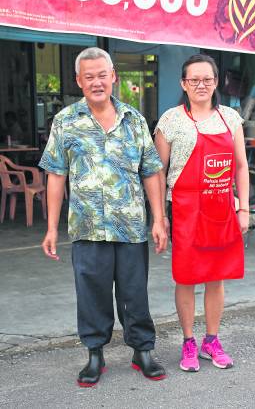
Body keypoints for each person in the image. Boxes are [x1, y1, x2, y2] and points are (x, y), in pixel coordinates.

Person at [39, 47, 168, 387]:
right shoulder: (66, 121)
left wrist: (159, 219)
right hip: (87, 226)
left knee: (134, 292)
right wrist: (51, 227)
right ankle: (94, 353)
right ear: (78, 81)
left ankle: (142, 351)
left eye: (102, 75)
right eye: (89, 76)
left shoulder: (134, 120)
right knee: (91, 292)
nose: (97, 82)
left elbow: (151, 172)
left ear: (114, 77)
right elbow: (56, 175)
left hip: (131, 227)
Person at [154, 54, 249, 372]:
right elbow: (158, 172)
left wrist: (244, 208)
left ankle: (212, 339)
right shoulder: (170, 120)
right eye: (193, 80)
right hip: (183, 210)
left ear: (216, 82)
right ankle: (188, 341)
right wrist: (159, 216)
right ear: (183, 84)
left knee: (216, 277)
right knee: (186, 276)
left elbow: (241, 166)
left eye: (206, 79)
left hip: (221, 209)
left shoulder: (231, 118)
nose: (200, 85)